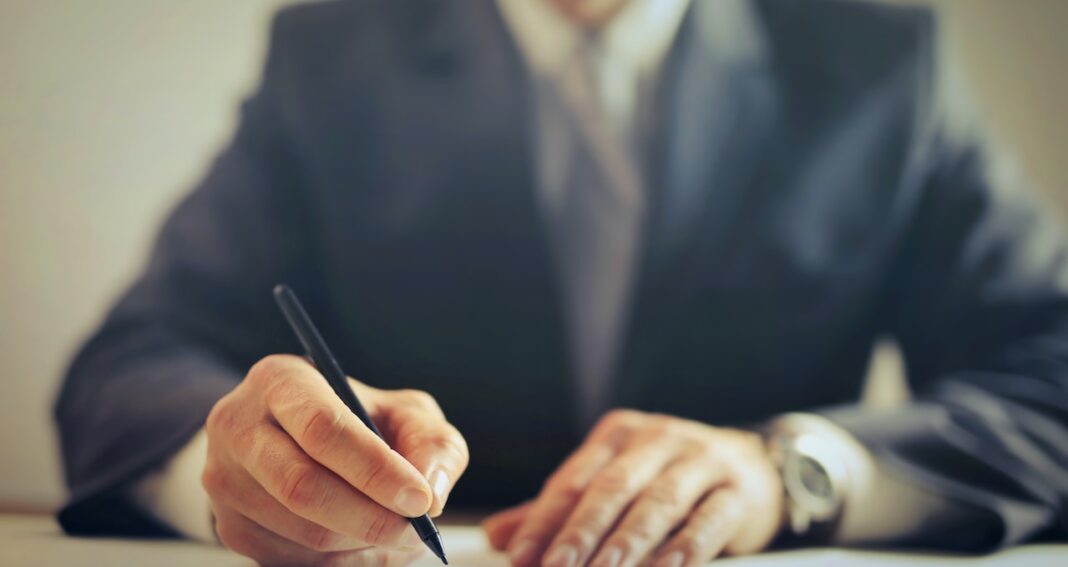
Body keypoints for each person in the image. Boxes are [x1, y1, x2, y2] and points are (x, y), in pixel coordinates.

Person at [55, 0, 1068, 566]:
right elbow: (129, 370)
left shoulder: (879, 62)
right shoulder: (331, 58)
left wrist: (795, 475)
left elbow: (1050, 372)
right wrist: (248, 471)